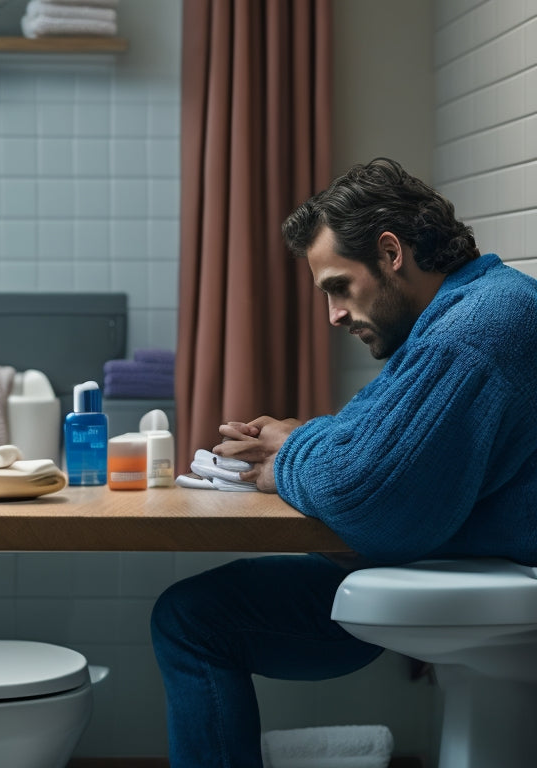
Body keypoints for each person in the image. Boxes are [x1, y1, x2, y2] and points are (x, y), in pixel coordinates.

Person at [150, 157, 537, 767]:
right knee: (189, 615)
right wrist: (297, 434)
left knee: (192, 620)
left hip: (468, 562)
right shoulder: (462, 315)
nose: (333, 315)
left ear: (390, 253)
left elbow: (364, 491)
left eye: (338, 286)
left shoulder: (475, 330)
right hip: (448, 552)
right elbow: (369, 439)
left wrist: (284, 460)